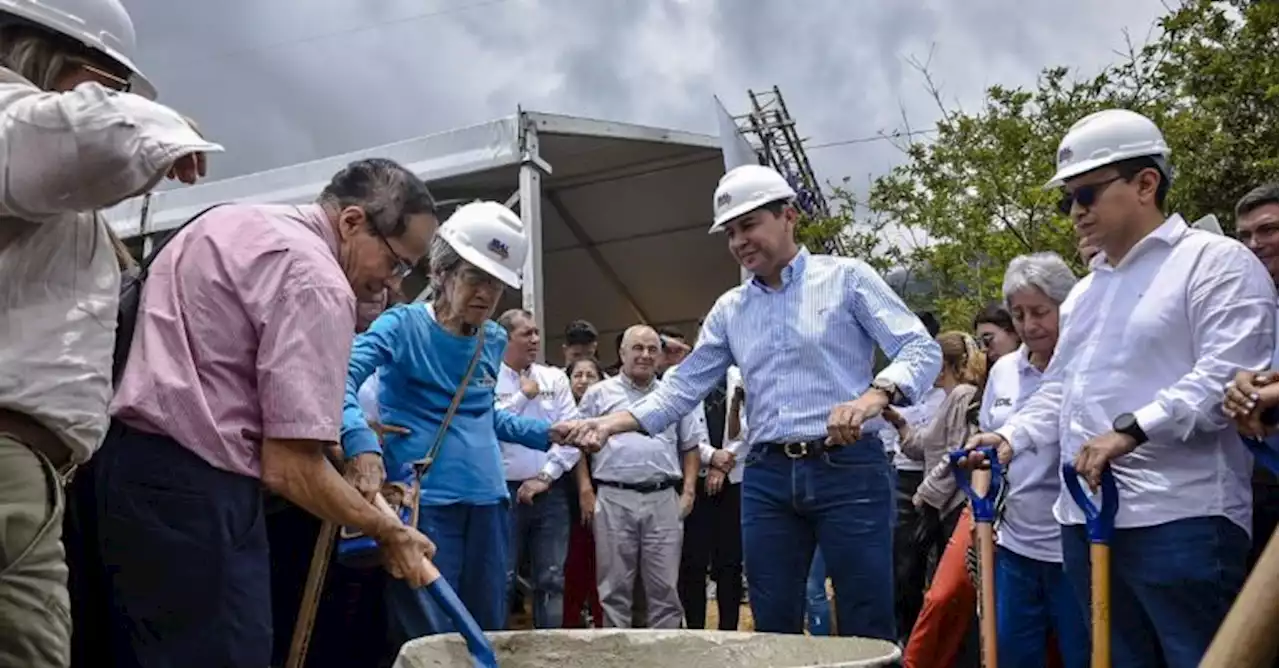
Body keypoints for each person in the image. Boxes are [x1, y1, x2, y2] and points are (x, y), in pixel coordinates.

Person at [562, 164, 942, 641]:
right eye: (730, 233)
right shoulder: (730, 309)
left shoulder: (848, 279)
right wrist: (607, 425)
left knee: (866, 613)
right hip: (768, 476)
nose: (738, 241)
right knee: (772, 619)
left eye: (748, 225)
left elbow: (920, 348)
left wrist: (873, 397)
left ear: (788, 216)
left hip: (850, 470)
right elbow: (682, 388)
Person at [101, 159, 439, 667]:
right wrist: (387, 531)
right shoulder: (317, 281)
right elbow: (290, 467)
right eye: (396, 263)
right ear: (351, 222)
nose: (394, 284)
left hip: (127, 473)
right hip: (203, 496)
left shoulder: (226, 221)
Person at [966, 108, 1274, 667]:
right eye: (1066, 200)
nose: (1073, 212)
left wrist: (1131, 430)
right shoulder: (1086, 293)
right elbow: (1058, 391)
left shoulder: (1215, 263)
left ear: (1145, 184)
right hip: (1084, 519)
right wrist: (1010, 438)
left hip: (1180, 517)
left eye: (1084, 194)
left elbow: (1227, 379)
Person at [0, 2, 217, 665]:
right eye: (103, 83)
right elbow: (80, 136)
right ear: (45, 57)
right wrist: (160, 124)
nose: (109, 100)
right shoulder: (15, 119)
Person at [339, 201, 579, 642]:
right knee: (430, 634)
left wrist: (547, 433)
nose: (486, 293)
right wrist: (361, 443)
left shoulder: (492, 338)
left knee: (486, 627)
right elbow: (339, 380)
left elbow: (482, 414)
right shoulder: (401, 325)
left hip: (489, 501)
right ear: (441, 274)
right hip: (425, 504)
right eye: (475, 277)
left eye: (497, 284)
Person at [982, 253, 1087, 668]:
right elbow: (993, 441)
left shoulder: (1085, 365)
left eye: (1041, 312)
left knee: (1082, 651)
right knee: (1013, 652)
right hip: (1015, 543)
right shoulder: (1004, 370)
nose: (1029, 325)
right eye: (1019, 314)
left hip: (1074, 542)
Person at [574, 325, 704, 629]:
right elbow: (576, 447)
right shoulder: (597, 394)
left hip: (663, 499)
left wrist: (688, 492)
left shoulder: (674, 396)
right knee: (614, 589)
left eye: (652, 349)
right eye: (637, 348)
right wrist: (585, 489)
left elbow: (691, 446)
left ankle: (664, 657)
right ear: (621, 353)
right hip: (613, 497)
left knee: (665, 590)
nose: (645, 355)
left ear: (660, 356)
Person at [495, 308, 580, 629]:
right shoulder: (486, 376)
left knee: (552, 577)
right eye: (526, 333)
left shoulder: (554, 378)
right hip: (501, 492)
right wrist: (519, 397)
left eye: (536, 332)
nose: (535, 339)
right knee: (500, 579)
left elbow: (571, 435)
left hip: (550, 491)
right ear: (506, 339)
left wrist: (545, 476)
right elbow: (485, 423)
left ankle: (550, 653)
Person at [1226, 182, 1280, 571]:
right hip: (1257, 480)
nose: (1255, 243)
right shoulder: (1247, 303)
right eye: (1245, 235)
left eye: (1268, 230)